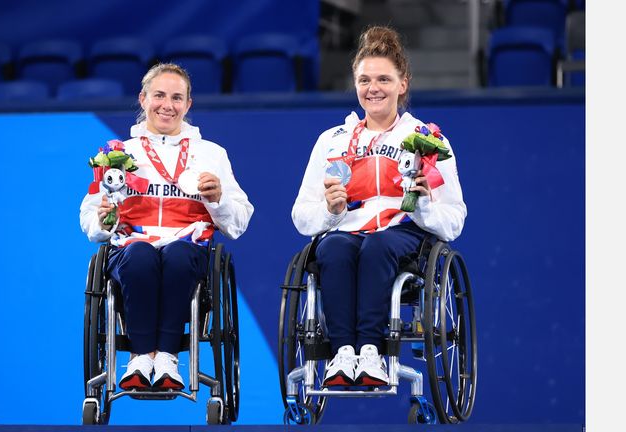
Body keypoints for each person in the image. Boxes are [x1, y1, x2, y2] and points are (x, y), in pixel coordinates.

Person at [291, 26, 466, 387]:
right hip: (345, 229)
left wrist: (422, 205)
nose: (374, 88)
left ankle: (370, 352)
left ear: (403, 84)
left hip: (402, 234)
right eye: (365, 79)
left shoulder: (427, 140)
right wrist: (329, 209)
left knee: (377, 246)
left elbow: (454, 220)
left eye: (384, 79)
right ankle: (342, 355)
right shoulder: (331, 140)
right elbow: (301, 216)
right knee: (335, 248)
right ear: (355, 84)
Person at [80, 63, 254, 390]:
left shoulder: (211, 154)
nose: (167, 105)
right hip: (131, 251)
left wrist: (218, 201)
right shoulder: (117, 154)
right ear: (143, 98)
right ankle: (141, 357)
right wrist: (105, 220)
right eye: (159, 95)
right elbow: (90, 220)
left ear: (188, 105)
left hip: (187, 252)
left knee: (176, 255)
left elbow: (240, 220)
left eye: (177, 98)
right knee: (141, 255)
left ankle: (168, 359)